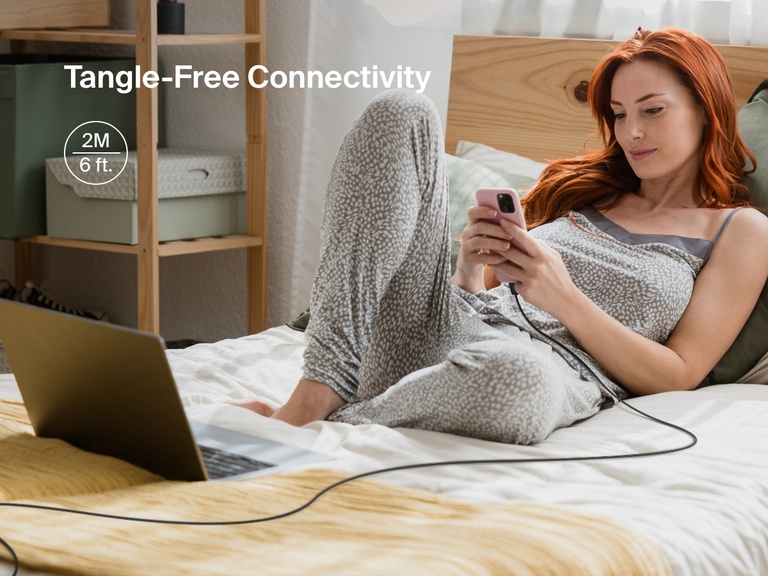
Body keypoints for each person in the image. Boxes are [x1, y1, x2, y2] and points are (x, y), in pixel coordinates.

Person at [229, 27, 768, 444]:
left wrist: (564, 298)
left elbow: (679, 375)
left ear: (706, 108)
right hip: (439, 330)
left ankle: (345, 414)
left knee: (516, 375)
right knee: (402, 111)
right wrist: (468, 268)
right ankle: (318, 387)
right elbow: (482, 296)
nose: (631, 132)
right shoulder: (582, 189)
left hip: (539, 375)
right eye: (619, 114)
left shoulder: (741, 230)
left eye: (653, 111)